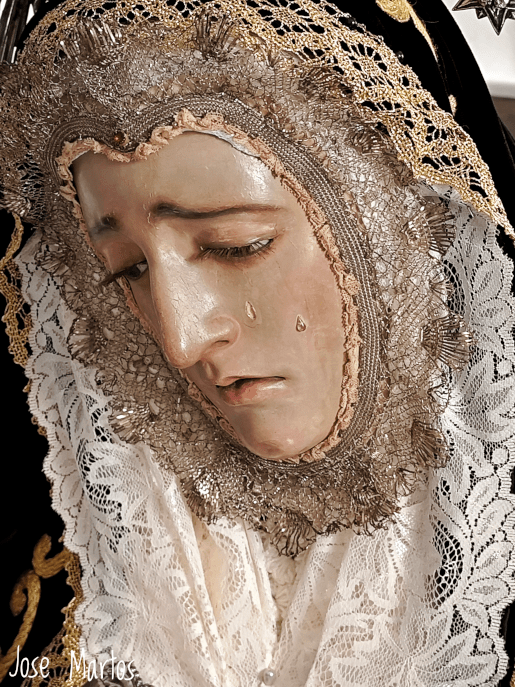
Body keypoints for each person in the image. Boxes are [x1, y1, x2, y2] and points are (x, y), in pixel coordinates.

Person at [0, 0, 514, 685]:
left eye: (236, 245)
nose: (181, 341)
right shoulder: (80, 515)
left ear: (398, 226)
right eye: (128, 269)